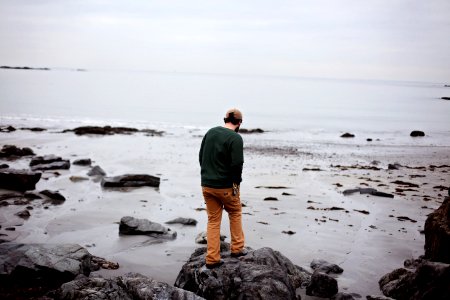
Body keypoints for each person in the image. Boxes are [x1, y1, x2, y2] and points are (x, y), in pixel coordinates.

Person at [199, 108, 247, 269]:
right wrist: (236, 184)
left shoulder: (210, 132)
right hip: (225, 186)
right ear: (239, 122)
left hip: (206, 185)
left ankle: (212, 258)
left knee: (213, 220)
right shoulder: (236, 138)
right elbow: (237, 164)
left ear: (224, 120)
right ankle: (237, 249)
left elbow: (201, 156)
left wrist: (207, 175)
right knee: (235, 212)